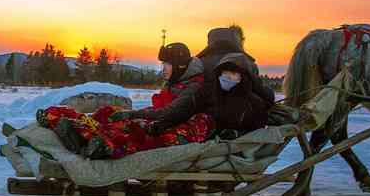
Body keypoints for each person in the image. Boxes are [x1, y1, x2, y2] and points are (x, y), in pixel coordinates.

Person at [145, 53, 274, 138]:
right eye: (225, 72)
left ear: (243, 77)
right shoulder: (208, 93)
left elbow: (257, 132)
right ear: (219, 74)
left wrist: (236, 133)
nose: (228, 76)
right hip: (200, 139)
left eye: (234, 73)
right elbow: (185, 111)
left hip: (226, 148)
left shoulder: (254, 103)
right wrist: (163, 124)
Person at [109, 42, 204, 122]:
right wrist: (132, 114)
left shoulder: (194, 85)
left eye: (168, 64)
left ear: (180, 66)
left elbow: (170, 112)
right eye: (163, 64)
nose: (163, 69)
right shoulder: (174, 82)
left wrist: (133, 114)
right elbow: (159, 110)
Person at [196, 24, 274, 106]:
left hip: (203, 114)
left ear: (210, 41)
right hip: (239, 114)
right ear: (235, 41)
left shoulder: (197, 63)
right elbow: (264, 93)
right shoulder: (246, 62)